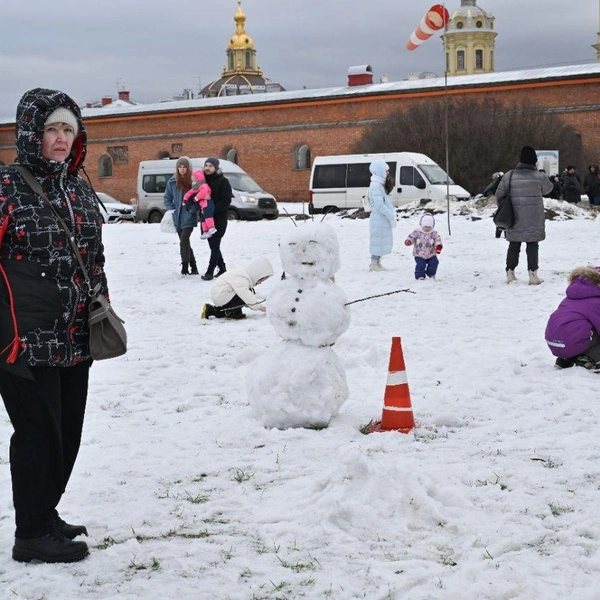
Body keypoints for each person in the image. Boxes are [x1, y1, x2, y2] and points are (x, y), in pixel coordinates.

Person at [0, 88, 110, 563]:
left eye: (68, 128)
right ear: (31, 134)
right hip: (22, 338)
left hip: (75, 334)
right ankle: (30, 534)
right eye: (51, 130)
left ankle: (46, 512)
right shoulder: (6, 188)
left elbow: (94, 255)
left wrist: (102, 304)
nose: (61, 138)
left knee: (66, 431)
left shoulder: (78, 185)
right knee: (37, 433)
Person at [495, 145, 553, 285]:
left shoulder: (510, 175)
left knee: (514, 245)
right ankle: (533, 275)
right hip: (534, 217)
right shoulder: (539, 177)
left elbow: (499, 195)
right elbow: (548, 189)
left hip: (514, 217)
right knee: (532, 244)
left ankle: (510, 273)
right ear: (534, 161)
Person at [545, 266, 600, 372]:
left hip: (555, 342)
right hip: (572, 341)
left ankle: (565, 359)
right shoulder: (596, 301)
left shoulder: (572, 296)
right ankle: (590, 359)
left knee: (578, 329)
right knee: (593, 332)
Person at [201, 256, 273, 319]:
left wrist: (254, 305)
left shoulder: (242, 273)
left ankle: (210, 310)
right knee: (247, 293)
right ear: (257, 274)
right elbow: (246, 296)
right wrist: (261, 307)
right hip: (222, 295)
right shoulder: (242, 278)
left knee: (220, 314)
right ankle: (232, 313)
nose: (260, 283)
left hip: (221, 295)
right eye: (261, 280)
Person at [163, 156, 199, 275]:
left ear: (188, 168)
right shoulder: (173, 181)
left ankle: (184, 267)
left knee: (183, 241)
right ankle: (194, 267)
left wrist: (192, 210)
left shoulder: (193, 181)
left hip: (189, 216)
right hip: (177, 217)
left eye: (184, 167)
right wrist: (171, 209)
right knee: (186, 242)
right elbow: (167, 197)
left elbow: (199, 198)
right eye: (180, 167)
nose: (182, 169)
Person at [368, 159, 396, 271]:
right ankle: (374, 263)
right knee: (377, 240)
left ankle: (377, 262)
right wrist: (390, 215)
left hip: (381, 218)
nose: (387, 172)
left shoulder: (380, 184)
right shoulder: (375, 185)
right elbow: (380, 204)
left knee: (381, 240)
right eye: (385, 170)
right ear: (379, 171)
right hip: (378, 218)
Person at [404, 213, 443, 280]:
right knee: (421, 265)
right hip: (419, 254)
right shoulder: (417, 232)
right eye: (425, 226)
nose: (427, 229)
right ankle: (420, 276)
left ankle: (431, 274)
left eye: (429, 227)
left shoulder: (434, 233)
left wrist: (438, 246)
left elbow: (437, 239)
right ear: (421, 225)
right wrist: (409, 241)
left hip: (431, 253)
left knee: (434, 262)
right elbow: (411, 237)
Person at [183, 169, 216, 239]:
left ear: (199, 180)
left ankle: (211, 227)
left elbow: (203, 193)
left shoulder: (204, 185)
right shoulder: (196, 188)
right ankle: (205, 231)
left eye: (194, 181)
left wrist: (196, 198)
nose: (193, 183)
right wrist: (185, 199)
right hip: (202, 206)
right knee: (203, 218)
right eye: (192, 181)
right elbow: (190, 192)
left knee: (207, 216)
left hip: (207, 203)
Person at [483, 171, 505, 238]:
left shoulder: (497, 181)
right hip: (507, 199)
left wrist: (485, 193)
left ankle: (498, 233)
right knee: (507, 215)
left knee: (500, 215)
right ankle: (506, 232)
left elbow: (490, 187)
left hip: (500, 199)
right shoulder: (507, 180)